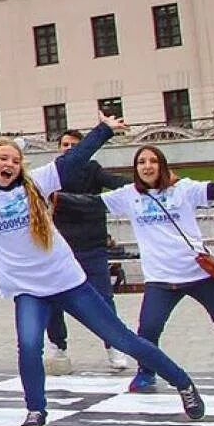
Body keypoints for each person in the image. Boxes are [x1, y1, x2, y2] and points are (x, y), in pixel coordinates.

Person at [0, 117, 207, 426]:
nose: (10, 164)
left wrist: (104, 129)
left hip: (67, 281)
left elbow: (74, 159)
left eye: (16, 160)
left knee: (123, 338)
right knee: (29, 345)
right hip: (28, 290)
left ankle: (182, 382)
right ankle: (36, 409)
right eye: (4, 158)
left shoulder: (36, 184)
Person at [58, 137, 214, 393]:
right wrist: (53, 198)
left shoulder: (184, 189)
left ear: (162, 165)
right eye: (141, 162)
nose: (147, 166)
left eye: (153, 161)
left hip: (198, 274)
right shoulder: (129, 196)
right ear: (135, 168)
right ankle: (146, 373)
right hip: (160, 279)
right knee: (147, 330)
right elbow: (91, 204)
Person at [46, 128, 132, 374]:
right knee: (53, 300)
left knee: (104, 299)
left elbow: (116, 182)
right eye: (65, 144)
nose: (69, 148)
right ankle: (57, 345)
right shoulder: (52, 173)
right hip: (61, 248)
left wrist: (143, 184)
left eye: (74, 144)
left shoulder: (93, 170)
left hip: (92, 245)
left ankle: (114, 344)